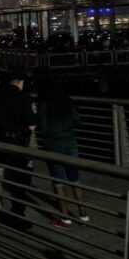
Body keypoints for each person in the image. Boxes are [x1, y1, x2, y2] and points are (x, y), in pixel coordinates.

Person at [0, 70, 37, 230]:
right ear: (20, 82)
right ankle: (17, 214)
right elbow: (31, 125)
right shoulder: (24, 98)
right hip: (16, 143)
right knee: (20, 179)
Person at [37, 80, 88, 229]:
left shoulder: (44, 103)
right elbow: (78, 120)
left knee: (58, 182)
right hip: (70, 143)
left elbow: (43, 127)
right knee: (75, 179)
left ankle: (65, 219)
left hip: (53, 145)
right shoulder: (68, 101)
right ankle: (83, 214)